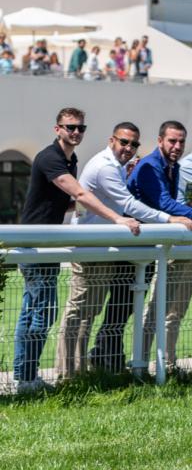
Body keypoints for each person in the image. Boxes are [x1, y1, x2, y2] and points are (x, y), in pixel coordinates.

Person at [14, 108, 140, 393]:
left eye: (80, 128)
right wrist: (117, 217)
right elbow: (80, 194)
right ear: (57, 128)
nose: (76, 132)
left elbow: (67, 202)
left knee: (35, 310)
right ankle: (26, 379)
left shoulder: (70, 160)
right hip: (35, 242)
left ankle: (27, 376)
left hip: (47, 241)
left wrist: (98, 202)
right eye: (70, 127)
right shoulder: (50, 158)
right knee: (40, 312)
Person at [56, 122, 192, 378]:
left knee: (96, 311)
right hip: (97, 245)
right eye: (124, 142)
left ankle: (89, 369)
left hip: (108, 245)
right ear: (112, 140)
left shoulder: (128, 166)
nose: (128, 148)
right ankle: (70, 373)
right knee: (86, 312)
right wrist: (171, 219)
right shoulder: (115, 166)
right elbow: (133, 203)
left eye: (133, 144)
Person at [128, 121, 192, 372]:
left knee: (138, 311)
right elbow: (164, 203)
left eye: (180, 142)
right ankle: (136, 365)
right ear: (160, 140)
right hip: (135, 245)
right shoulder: (150, 165)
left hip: (151, 245)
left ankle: (152, 365)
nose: (177, 146)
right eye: (172, 141)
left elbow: (168, 203)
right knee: (130, 312)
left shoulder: (172, 166)